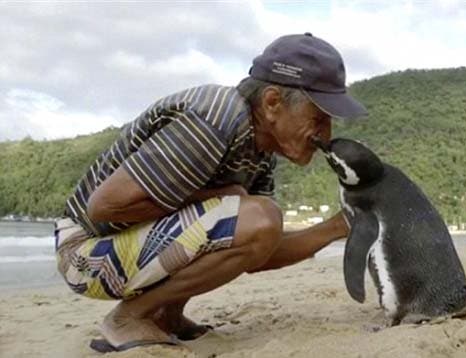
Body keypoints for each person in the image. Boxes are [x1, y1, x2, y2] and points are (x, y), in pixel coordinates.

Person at [54, 33, 367, 351]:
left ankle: (167, 315)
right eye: (319, 118)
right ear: (272, 103)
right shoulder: (215, 117)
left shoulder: (259, 152)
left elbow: (257, 250)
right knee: (256, 213)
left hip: (120, 248)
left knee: (256, 217)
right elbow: (104, 208)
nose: (326, 135)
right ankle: (129, 317)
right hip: (84, 253)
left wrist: (337, 227)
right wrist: (219, 197)